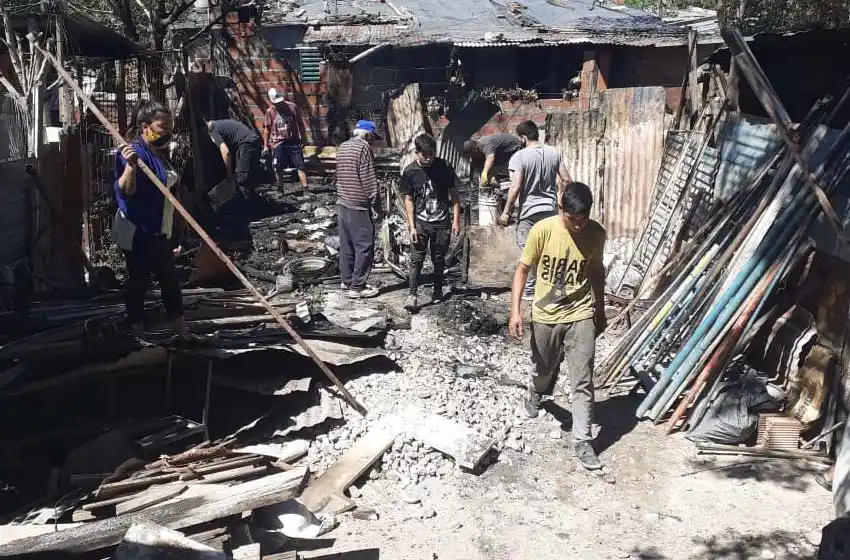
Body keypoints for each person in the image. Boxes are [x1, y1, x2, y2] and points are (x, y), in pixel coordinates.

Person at [508, 182, 607, 471]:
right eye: (571, 219)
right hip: (546, 314)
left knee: (583, 378)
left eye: (583, 219)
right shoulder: (543, 230)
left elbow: (596, 271)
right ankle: (537, 391)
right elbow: (523, 270)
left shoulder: (596, 234)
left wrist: (599, 310)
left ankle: (583, 439)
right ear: (560, 209)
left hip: (580, 313)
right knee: (543, 367)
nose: (577, 226)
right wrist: (516, 311)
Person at [112, 100, 185, 336]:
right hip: (139, 229)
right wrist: (131, 167)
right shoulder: (133, 152)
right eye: (163, 126)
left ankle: (180, 330)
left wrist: (176, 229)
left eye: (170, 126)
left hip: (159, 227)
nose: (168, 132)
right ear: (145, 127)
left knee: (169, 280)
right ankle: (137, 331)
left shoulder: (160, 154)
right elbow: (126, 191)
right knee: (139, 281)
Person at [499, 120, 572, 299]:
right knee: (549, 250)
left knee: (529, 251)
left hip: (529, 213)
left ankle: (531, 290)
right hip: (550, 211)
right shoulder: (553, 152)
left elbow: (515, 186)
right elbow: (566, 180)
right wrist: (562, 202)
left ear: (523, 138)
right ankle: (551, 287)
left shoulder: (520, 157)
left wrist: (506, 212)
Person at [400, 133, 461, 312]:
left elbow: (455, 195)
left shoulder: (444, 167)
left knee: (439, 258)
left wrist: (455, 220)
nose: (428, 158)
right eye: (424, 154)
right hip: (420, 223)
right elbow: (409, 199)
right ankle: (412, 295)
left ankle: (437, 290)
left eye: (431, 154)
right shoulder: (410, 171)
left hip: (441, 223)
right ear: (416, 152)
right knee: (416, 259)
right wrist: (411, 226)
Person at [336, 120, 384, 299]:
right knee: (364, 246)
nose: (373, 143)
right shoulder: (363, 149)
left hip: (343, 202)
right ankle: (358, 286)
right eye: (373, 139)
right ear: (368, 135)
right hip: (358, 204)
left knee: (347, 245)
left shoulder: (343, 147)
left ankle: (346, 281)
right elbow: (370, 181)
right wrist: (377, 207)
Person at [205, 117, 263, 200]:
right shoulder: (221, 123)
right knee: (250, 178)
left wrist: (228, 173)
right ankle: (254, 204)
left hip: (246, 144)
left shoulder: (212, 130)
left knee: (242, 179)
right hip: (253, 142)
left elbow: (226, 151)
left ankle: (246, 209)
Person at [263, 88, 308, 189]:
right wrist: (265, 145)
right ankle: (280, 187)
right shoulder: (270, 112)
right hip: (278, 142)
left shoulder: (292, 107)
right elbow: (267, 129)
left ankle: (306, 188)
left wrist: (304, 138)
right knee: (278, 166)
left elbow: (300, 123)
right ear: (271, 100)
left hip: (293, 140)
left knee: (300, 165)